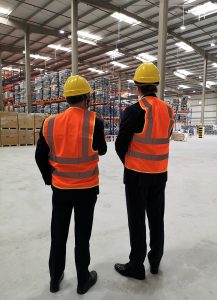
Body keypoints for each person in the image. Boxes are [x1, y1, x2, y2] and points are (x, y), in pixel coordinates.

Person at [35, 75, 107, 294]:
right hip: (87, 190)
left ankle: (55, 279)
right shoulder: (95, 121)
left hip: (61, 189)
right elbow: (102, 150)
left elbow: (40, 156)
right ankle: (83, 280)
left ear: (66, 98)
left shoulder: (50, 122)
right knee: (82, 236)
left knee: (58, 235)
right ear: (86, 98)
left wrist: (50, 179)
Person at [114, 62, 174, 280]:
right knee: (157, 218)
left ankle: (136, 266)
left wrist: (129, 162)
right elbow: (164, 137)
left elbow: (120, 144)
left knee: (137, 220)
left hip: (137, 175)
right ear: (155, 86)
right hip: (160, 173)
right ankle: (155, 261)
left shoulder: (134, 110)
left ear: (137, 86)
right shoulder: (168, 110)